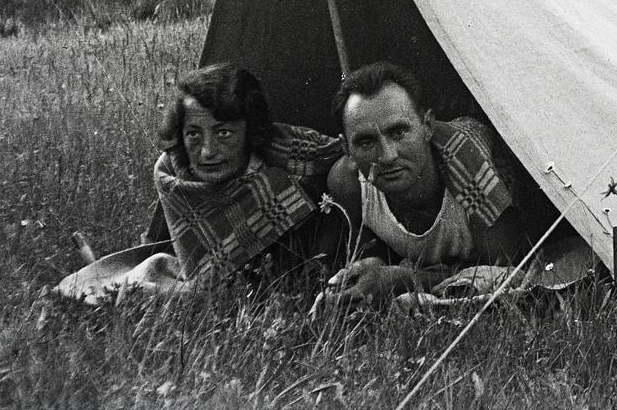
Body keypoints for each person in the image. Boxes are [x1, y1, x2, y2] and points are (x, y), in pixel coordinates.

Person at [324, 61, 526, 302]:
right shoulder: (347, 184)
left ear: (427, 126)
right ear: (346, 149)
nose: (388, 156)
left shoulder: (471, 169)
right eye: (366, 142)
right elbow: (374, 255)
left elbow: (505, 267)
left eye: (398, 132)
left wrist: (403, 279)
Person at [152, 63, 346, 285]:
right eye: (194, 134)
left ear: (249, 132)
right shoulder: (173, 173)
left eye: (223, 133)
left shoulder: (292, 160)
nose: (207, 152)